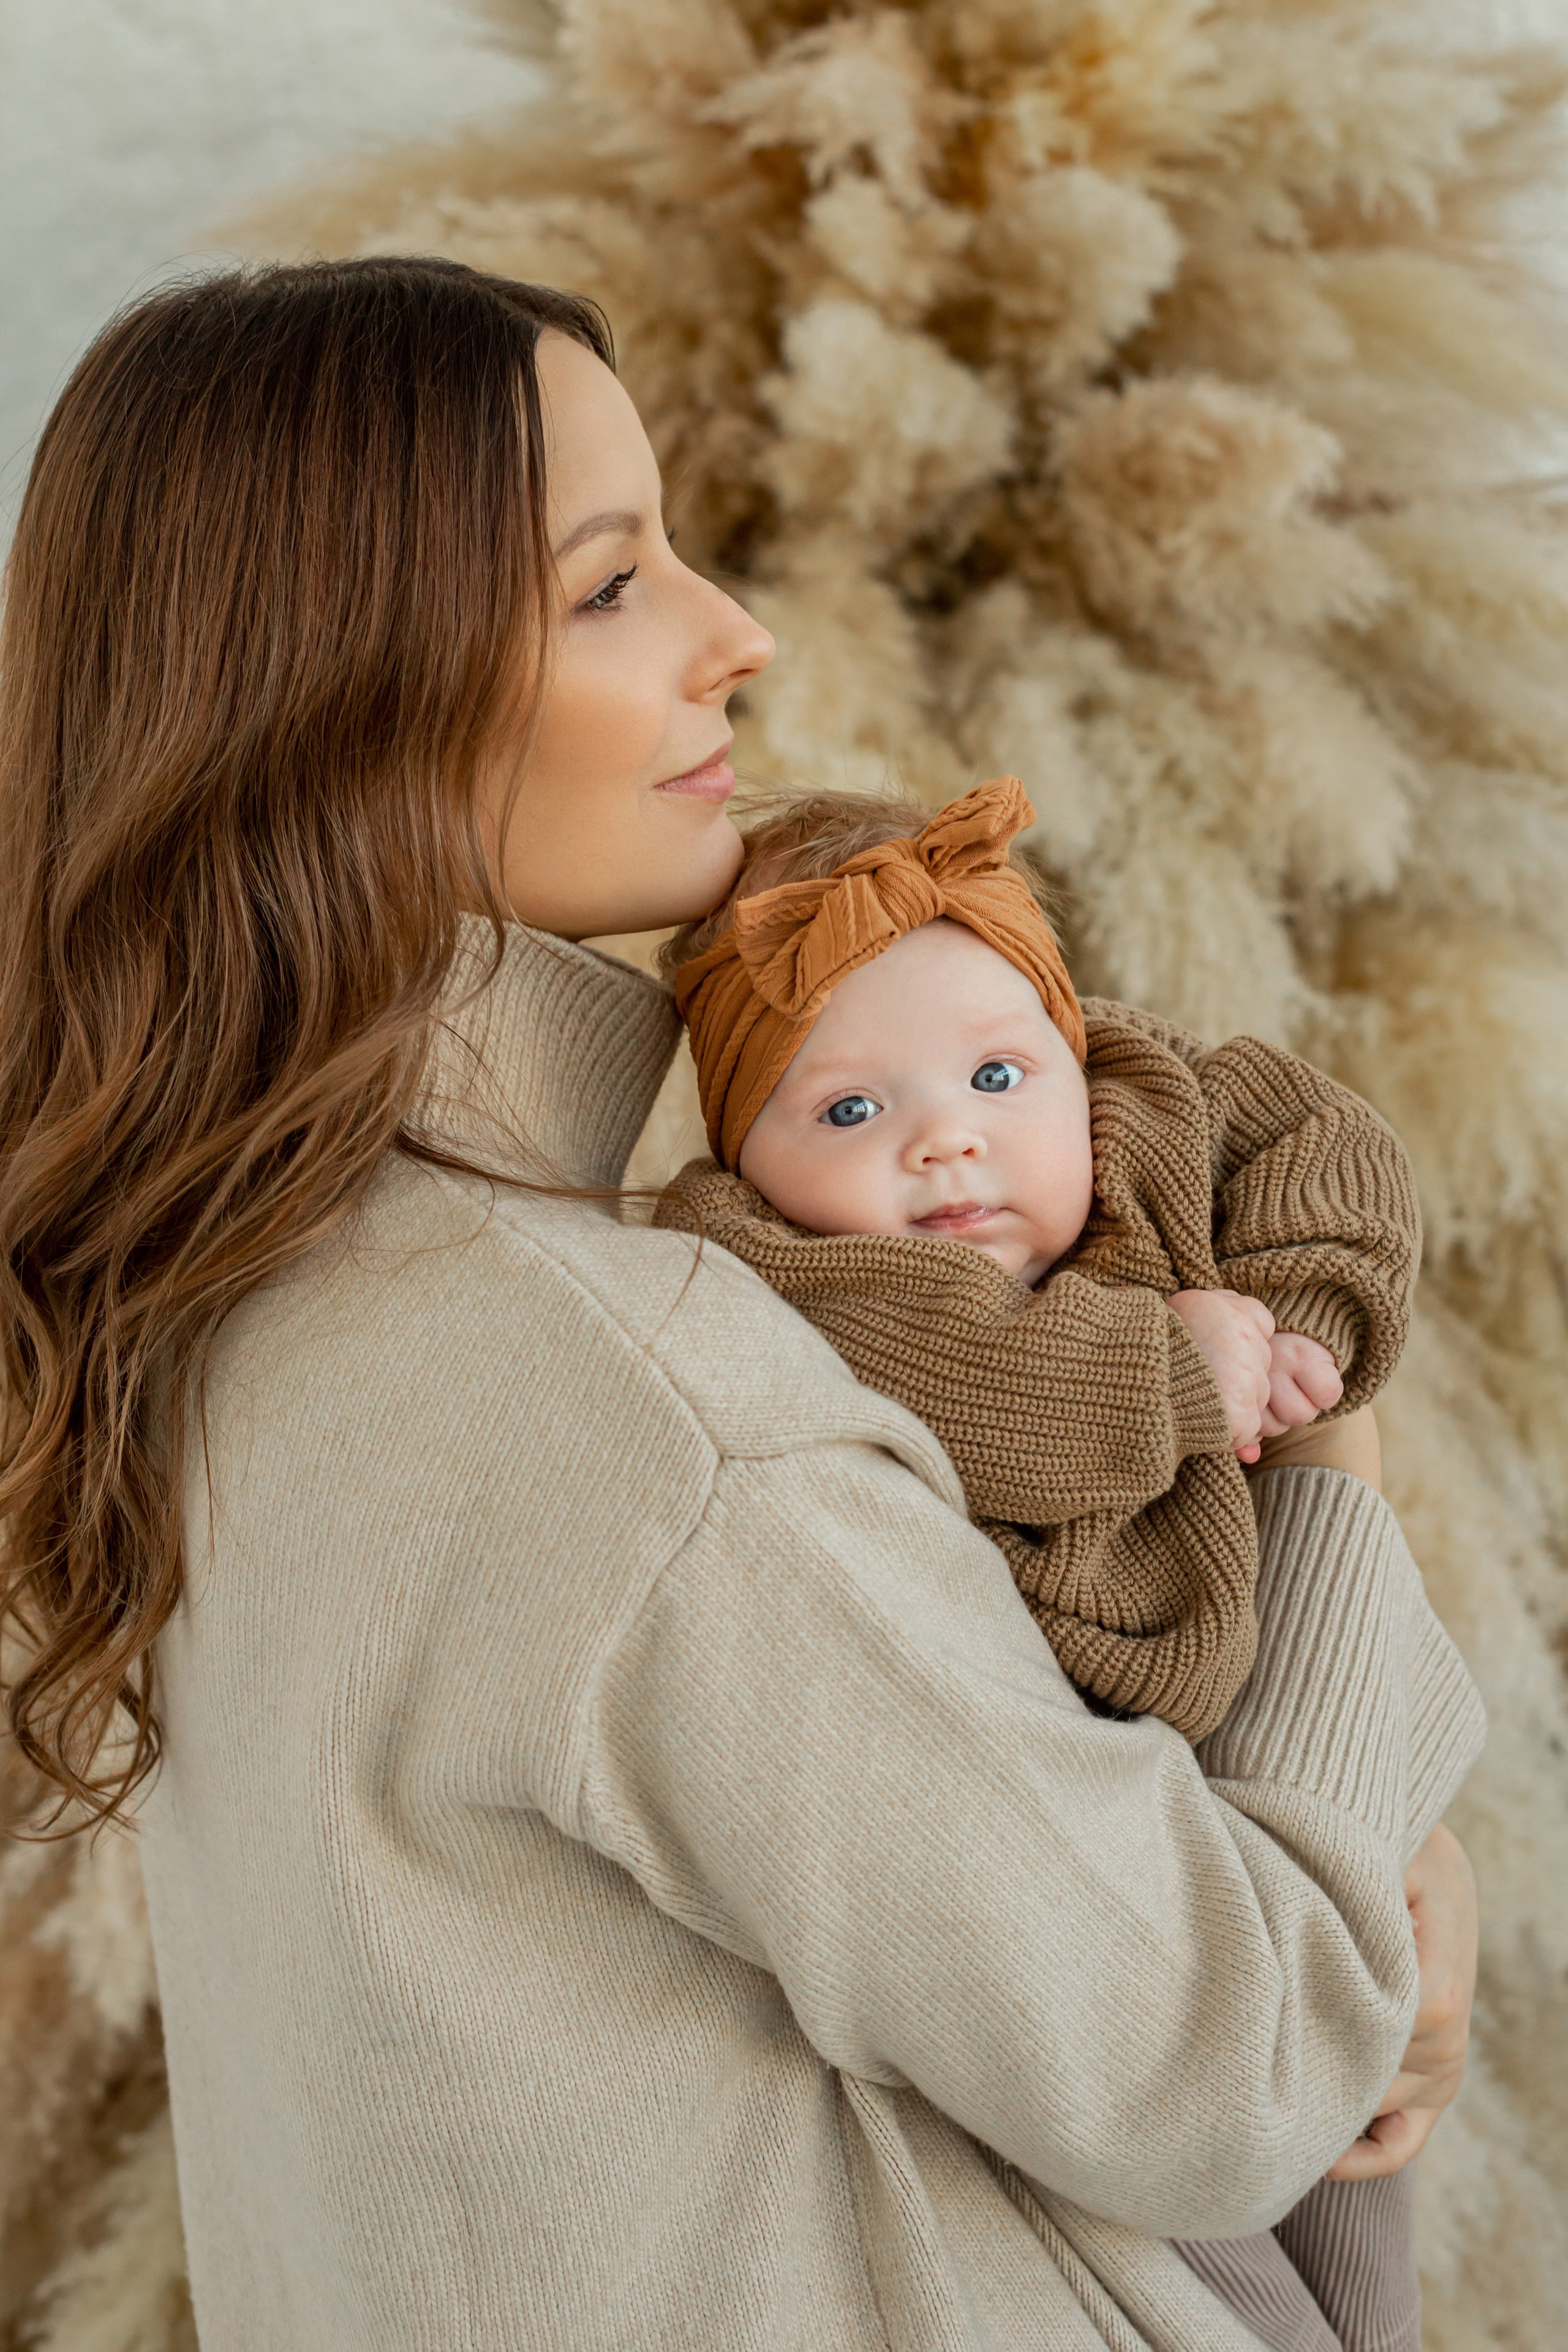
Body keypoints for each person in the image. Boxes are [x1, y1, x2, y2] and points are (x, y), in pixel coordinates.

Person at [0, 256, 1480, 2352]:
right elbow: (1237, 2066)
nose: (736, 635)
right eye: (614, 586)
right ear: (349, 703)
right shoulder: (645, 1409)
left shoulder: (211, 1306)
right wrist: (1321, 1489)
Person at [652, 778, 1486, 2349]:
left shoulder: (1141, 1107)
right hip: (1083, 1837)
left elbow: (1326, 1143)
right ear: (741, 1152)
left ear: (1069, 1045)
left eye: (993, 1071)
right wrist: (1170, 1371)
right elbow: (972, 1375)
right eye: (848, 1111)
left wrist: (1304, 1318)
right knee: (1187, 2237)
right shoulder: (778, 1274)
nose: (944, 1138)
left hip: (1259, 1739)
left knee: (1362, 2171)